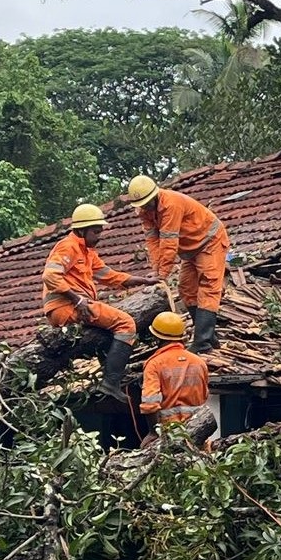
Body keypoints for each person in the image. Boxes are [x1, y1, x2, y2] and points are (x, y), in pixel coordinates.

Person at [41, 203, 153, 402]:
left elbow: (107, 275)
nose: (99, 236)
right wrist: (78, 300)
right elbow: (50, 276)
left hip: (71, 307)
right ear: (81, 230)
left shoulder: (87, 252)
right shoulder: (69, 246)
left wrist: (141, 280)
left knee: (108, 333)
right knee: (126, 324)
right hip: (65, 308)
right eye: (95, 232)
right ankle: (111, 382)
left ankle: (112, 376)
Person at [125, 175, 230, 354]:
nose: (145, 206)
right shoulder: (144, 212)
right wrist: (156, 270)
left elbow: (168, 242)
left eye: (148, 202)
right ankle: (209, 337)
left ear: (155, 195)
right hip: (190, 250)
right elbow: (153, 242)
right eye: (142, 204)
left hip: (210, 242)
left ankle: (202, 342)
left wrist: (162, 274)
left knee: (208, 287)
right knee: (187, 289)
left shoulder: (171, 204)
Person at [139, 311, 209, 430]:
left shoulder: (155, 364)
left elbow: (150, 404)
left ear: (157, 337)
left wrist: (153, 433)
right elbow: (205, 395)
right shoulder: (199, 362)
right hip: (198, 427)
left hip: (170, 432)